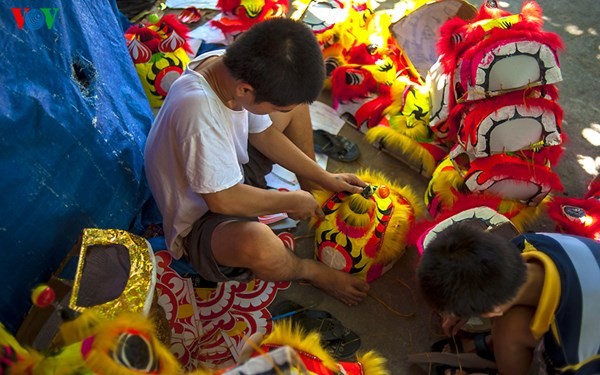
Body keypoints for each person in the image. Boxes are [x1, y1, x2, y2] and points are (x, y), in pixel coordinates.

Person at [144, 17, 370, 306]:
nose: (279, 111)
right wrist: (286, 202)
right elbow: (222, 201)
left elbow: (262, 133)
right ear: (245, 91)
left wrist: (324, 178)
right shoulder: (198, 113)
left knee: (295, 101)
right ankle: (308, 271)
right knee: (259, 245)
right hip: (200, 218)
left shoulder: (227, 67)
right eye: (276, 107)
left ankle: (314, 196)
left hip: (227, 173)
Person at [416, 221, 600, 374]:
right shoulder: (526, 242)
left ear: (493, 310)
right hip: (585, 276)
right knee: (512, 321)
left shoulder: (571, 355)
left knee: (511, 325)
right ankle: (497, 350)